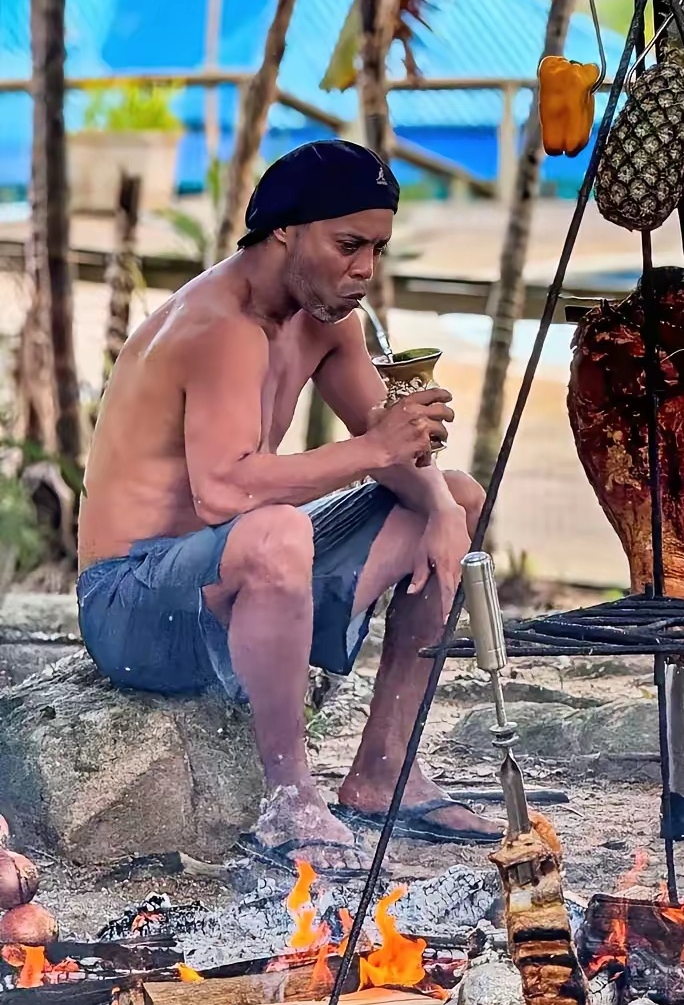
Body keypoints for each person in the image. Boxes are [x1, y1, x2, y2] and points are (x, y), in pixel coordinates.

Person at [77, 139, 500, 878]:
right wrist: (378, 449)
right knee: (273, 533)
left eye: (376, 248)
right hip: (132, 605)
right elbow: (223, 492)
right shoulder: (219, 327)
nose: (365, 268)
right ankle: (290, 799)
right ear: (284, 230)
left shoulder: (329, 320)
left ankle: (382, 770)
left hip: (231, 570)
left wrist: (438, 505)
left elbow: (396, 453)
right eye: (347, 245)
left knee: (453, 495)